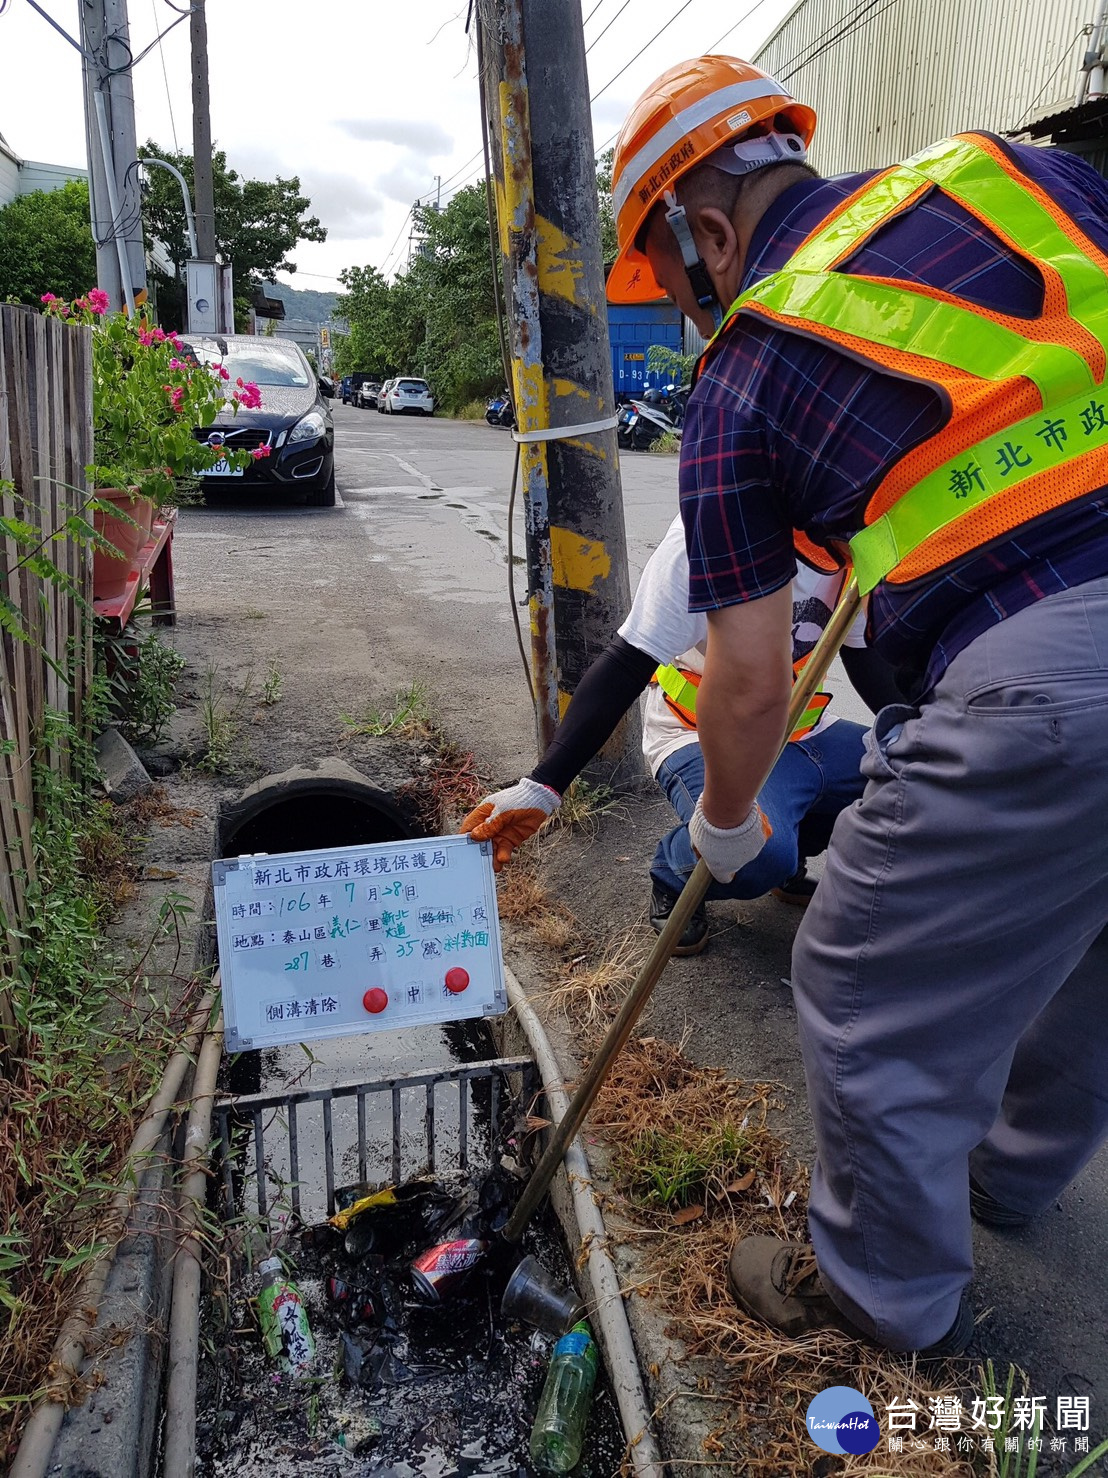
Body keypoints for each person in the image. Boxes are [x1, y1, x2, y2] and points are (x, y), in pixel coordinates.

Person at [607, 55, 1108, 1357]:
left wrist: (720, 829)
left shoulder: (745, 367)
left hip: (1051, 667)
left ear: (704, 234)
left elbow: (751, 677)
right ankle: (1008, 1172)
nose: (682, 309)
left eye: (670, 282)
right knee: (1095, 917)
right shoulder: (1023, 179)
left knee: (861, 965)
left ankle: (880, 1289)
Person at [461, 516, 893, 953]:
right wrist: (542, 787)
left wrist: (932, 736)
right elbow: (627, 663)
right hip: (701, 737)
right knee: (756, 854)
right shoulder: (712, 530)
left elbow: (864, 655)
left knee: (916, 790)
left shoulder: (854, 535)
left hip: (803, 731)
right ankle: (674, 870)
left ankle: (790, 854)